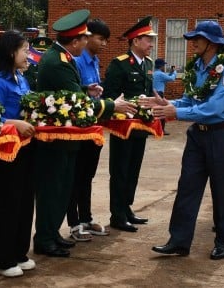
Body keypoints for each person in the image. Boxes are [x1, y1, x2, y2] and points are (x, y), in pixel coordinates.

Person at [33, 9, 134, 258]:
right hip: (57, 139)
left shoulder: (62, 58)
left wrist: (85, 88)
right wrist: (112, 106)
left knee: (62, 187)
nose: (85, 44)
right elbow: (78, 104)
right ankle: (45, 238)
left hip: (65, 139)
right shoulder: (59, 62)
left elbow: (73, 93)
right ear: (76, 41)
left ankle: (52, 233)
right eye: (83, 40)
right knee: (53, 189)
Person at [145, 20, 224, 260]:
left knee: (222, 190)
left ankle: (223, 240)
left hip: (221, 134)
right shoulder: (196, 66)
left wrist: (176, 113)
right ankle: (178, 241)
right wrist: (169, 105)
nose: (192, 42)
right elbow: (190, 100)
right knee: (187, 187)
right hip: (198, 135)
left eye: (197, 38)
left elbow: (215, 107)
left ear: (212, 43)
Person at [0, 30, 38, 278]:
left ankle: (19, 251)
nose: (28, 54)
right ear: (11, 52)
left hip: (27, 149)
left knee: (25, 201)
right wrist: (14, 123)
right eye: (24, 50)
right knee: (8, 203)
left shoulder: (22, 79)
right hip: (7, 151)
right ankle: (1, 258)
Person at [104, 16, 158, 233]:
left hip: (140, 128)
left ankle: (127, 208)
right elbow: (110, 95)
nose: (151, 44)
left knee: (134, 169)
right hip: (123, 128)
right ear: (136, 41)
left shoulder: (149, 64)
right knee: (120, 170)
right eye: (148, 39)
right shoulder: (120, 64)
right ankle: (117, 214)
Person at [67, 18, 110, 241]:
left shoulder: (94, 60)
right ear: (87, 36)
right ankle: (74, 224)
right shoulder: (76, 60)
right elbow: (76, 97)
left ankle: (85, 218)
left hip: (93, 126)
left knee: (87, 175)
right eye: (100, 39)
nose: (103, 44)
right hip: (78, 128)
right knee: (76, 175)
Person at [152, 58, 177, 135]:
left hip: (153, 94)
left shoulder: (153, 73)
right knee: (162, 111)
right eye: (163, 65)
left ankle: (152, 129)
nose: (164, 67)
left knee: (153, 112)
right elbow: (172, 79)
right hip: (160, 94)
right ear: (161, 66)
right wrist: (175, 72)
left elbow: (166, 78)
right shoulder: (160, 74)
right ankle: (162, 130)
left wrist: (170, 73)